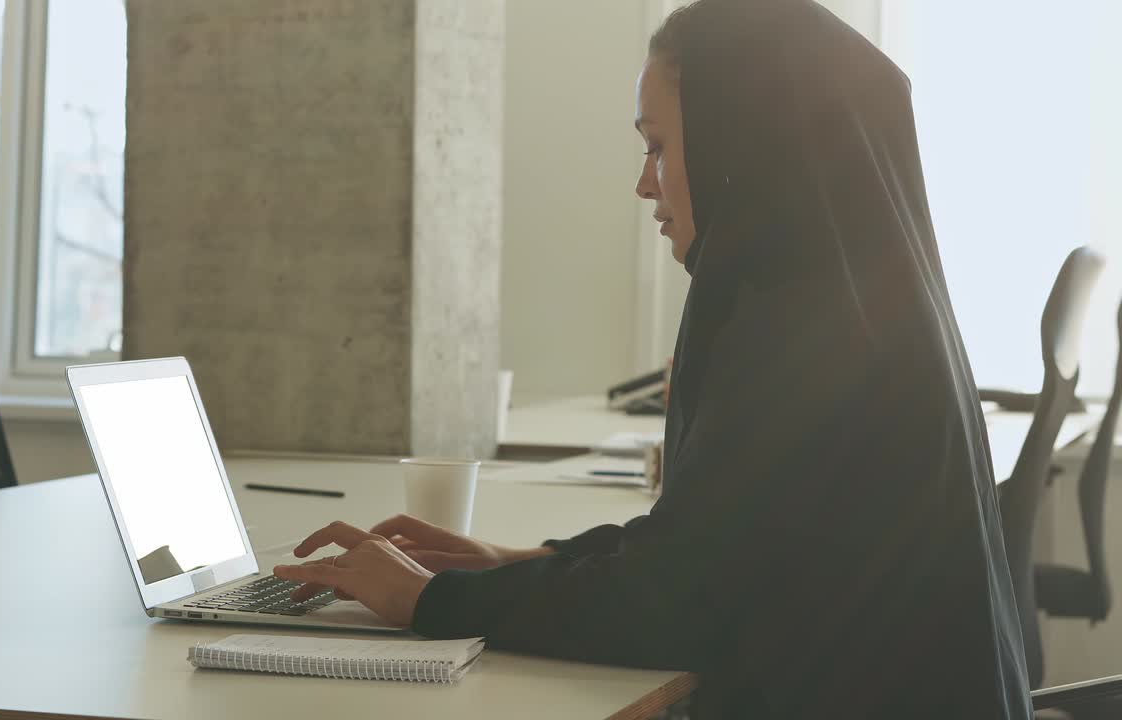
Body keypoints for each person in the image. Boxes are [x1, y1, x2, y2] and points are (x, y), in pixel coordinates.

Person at [273, 0, 1033, 716]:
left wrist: (428, 602)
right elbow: (708, 548)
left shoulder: (801, 329)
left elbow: (677, 604)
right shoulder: (851, 304)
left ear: (742, 140)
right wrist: (508, 562)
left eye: (660, 145)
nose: (645, 183)